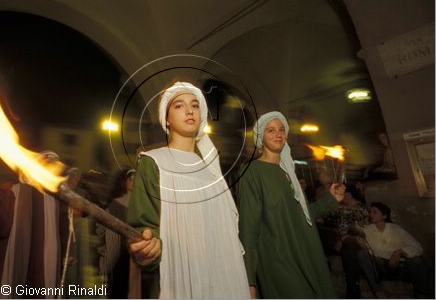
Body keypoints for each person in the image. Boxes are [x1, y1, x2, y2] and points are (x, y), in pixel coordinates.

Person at [126, 81, 250, 299]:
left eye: (194, 105)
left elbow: (226, 232)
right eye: (179, 106)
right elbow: (144, 226)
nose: (189, 110)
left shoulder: (212, 172)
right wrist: (148, 247)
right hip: (178, 280)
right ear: (166, 119)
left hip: (219, 281)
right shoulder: (153, 162)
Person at [238, 111, 345, 298]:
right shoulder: (252, 171)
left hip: (305, 253)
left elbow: (301, 216)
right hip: (278, 260)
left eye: (281, 129)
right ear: (260, 137)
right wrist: (249, 279)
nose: (278, 133)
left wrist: (330, 199)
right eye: (270, 130)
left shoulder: (289, 173)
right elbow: (248, 226)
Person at [0, 151, 67, 298]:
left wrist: (69, 252)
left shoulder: (57, 197)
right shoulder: (12, 191)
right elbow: (2, 229)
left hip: (48, 253)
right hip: (17, 251)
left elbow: (65, 227)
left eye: (52, 167)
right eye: (45, 165)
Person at [356, 202, 431, 298]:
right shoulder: (367, 230)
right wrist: (362, 245)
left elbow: (417, 247)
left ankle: (422, 295)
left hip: (400, 267)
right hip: (380, 267)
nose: (371, 215)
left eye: (375, 212)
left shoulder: (396, 229)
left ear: (384, 215)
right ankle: (377, 292)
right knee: (362, 254)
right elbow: (363, 246)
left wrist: (398, 252)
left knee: (417, 260)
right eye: (370, 212)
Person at [102, 168, 136, 298]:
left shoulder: (143, 205)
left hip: (137, 259)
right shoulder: (116, 205)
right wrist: (107, 264)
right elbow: (110, 238)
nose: (133, 183)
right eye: (130, 180)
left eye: (135, 180)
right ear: (125, 182)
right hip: (120, 260)